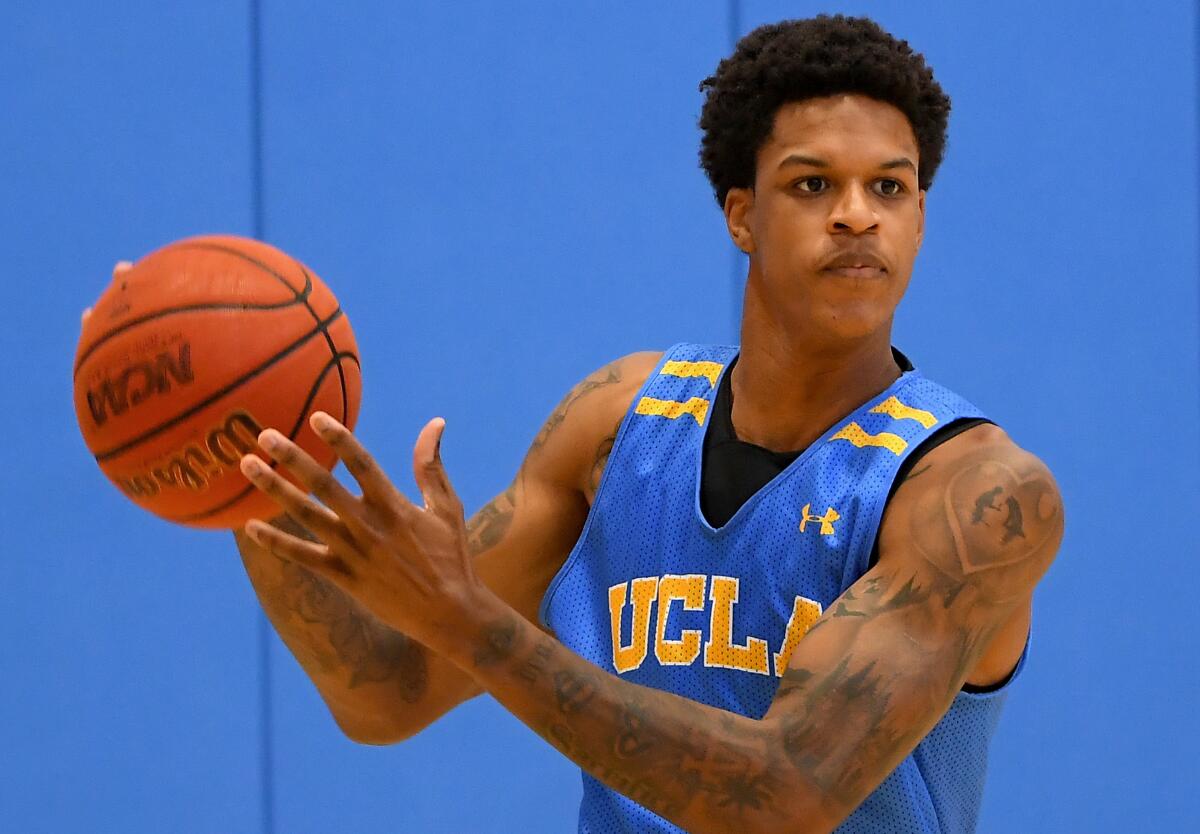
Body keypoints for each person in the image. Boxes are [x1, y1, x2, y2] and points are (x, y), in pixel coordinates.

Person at [230, 15, 1064, 834]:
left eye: (890, 186)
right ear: (741, 217)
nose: (857, 214)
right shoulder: (618, 424)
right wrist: (243, 471)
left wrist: (469, 624)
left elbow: (786, 795)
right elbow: (384, 688)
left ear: (919, 219)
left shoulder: (978, 498)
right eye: (813, 184)